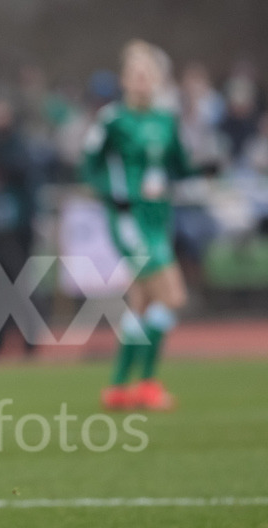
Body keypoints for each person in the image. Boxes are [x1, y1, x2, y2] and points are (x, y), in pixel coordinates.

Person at [82, 40, 191, 411]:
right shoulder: (112, 120)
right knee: (173, 297)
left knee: (143, 306)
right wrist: (110, 195)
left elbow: (179, 164)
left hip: (160, 220)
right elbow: (89, 164)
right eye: (136, 74)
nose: (142, 80)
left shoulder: (166, 120)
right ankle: (146, 383)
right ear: (125, 80)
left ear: (158, 79)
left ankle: (116, 388)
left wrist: (206, 168)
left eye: (149, 74)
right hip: (130, 223)